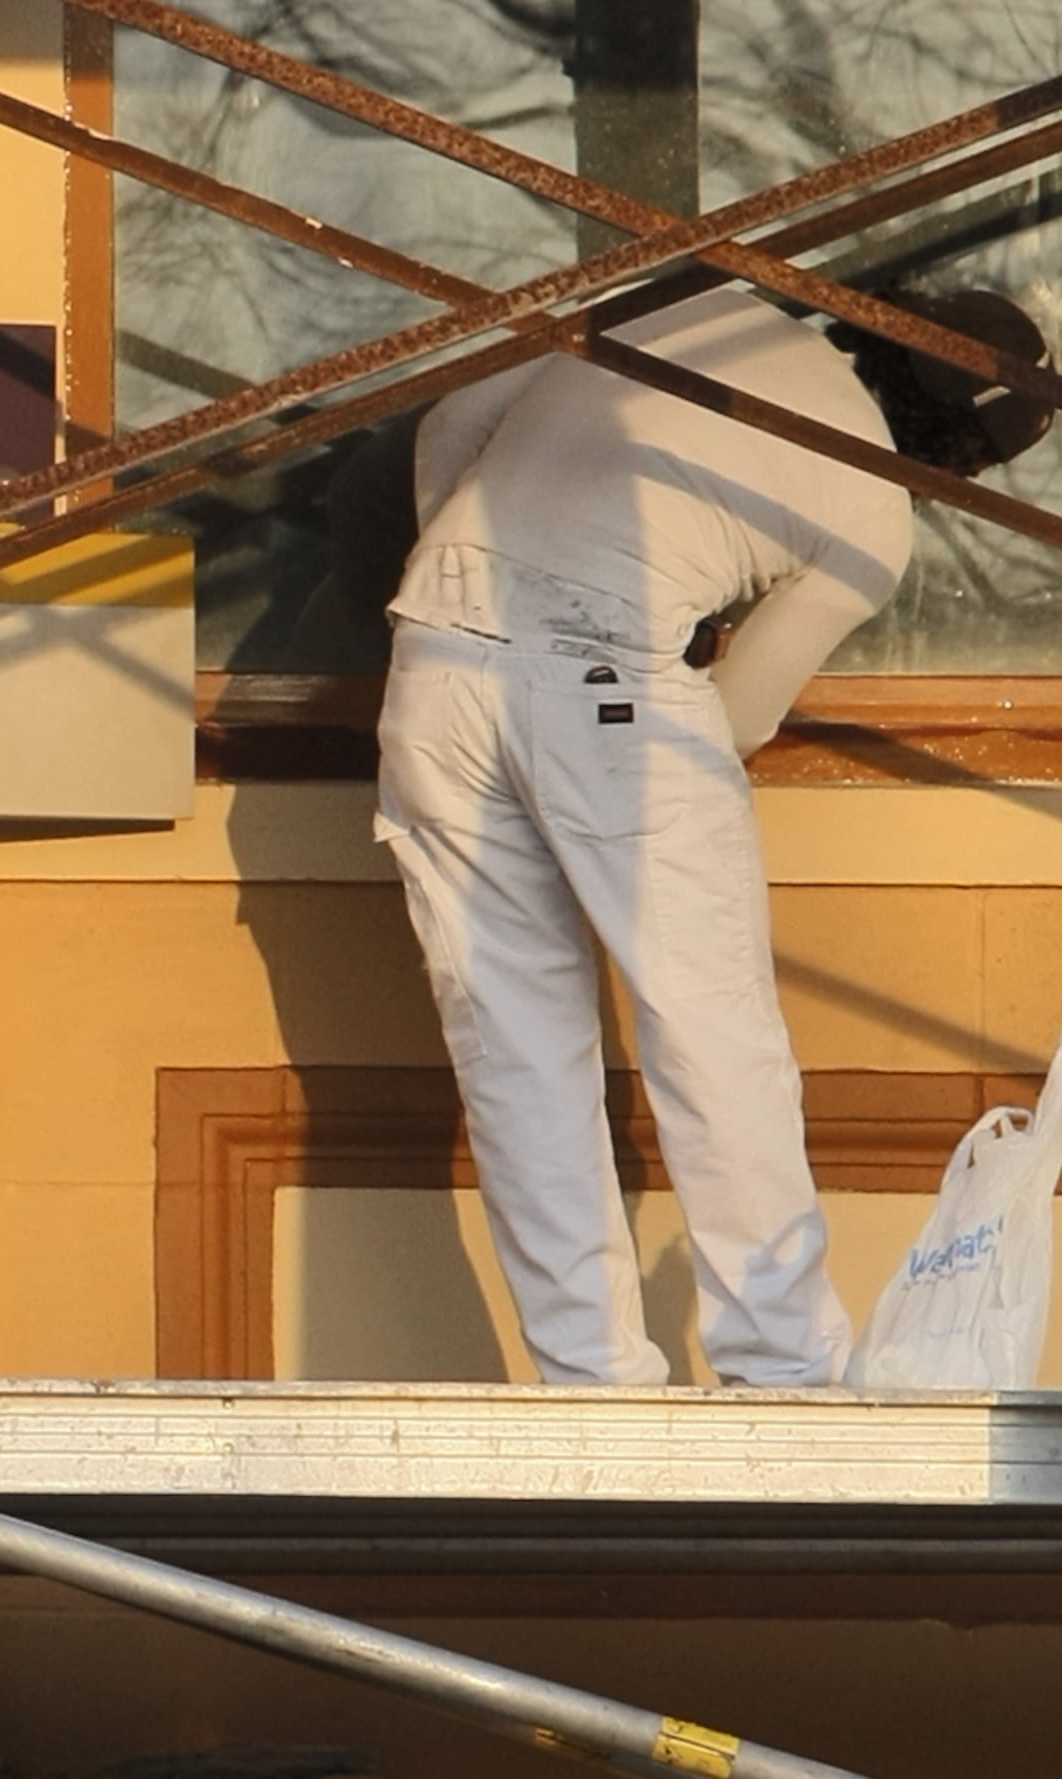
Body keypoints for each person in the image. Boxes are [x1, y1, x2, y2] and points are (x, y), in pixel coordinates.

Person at [375, 274, 1056, 1387]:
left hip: (433, 662)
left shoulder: (710, 305)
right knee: (713, 1035)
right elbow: (738, 718)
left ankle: (591, 1376)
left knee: (516, 1048)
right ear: (963, 461)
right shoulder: (873, 511)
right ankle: (782, 1364)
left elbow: (452, 419)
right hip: (606, 680)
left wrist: (483, 600)